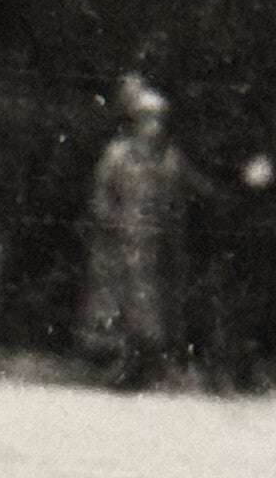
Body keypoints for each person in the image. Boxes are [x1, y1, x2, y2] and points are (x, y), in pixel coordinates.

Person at [77, 77, 214, 389]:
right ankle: (116, 368)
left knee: (154, 308)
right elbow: (100, 197)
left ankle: (146, 368)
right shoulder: (118, 155)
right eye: (147, 119)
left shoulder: (170, 158)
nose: (154, 126)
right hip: (120, 245)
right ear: (135, 121)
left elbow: (192, 189)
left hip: (157, 246)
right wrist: (113, 225)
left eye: (158, 120)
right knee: (116, 306)